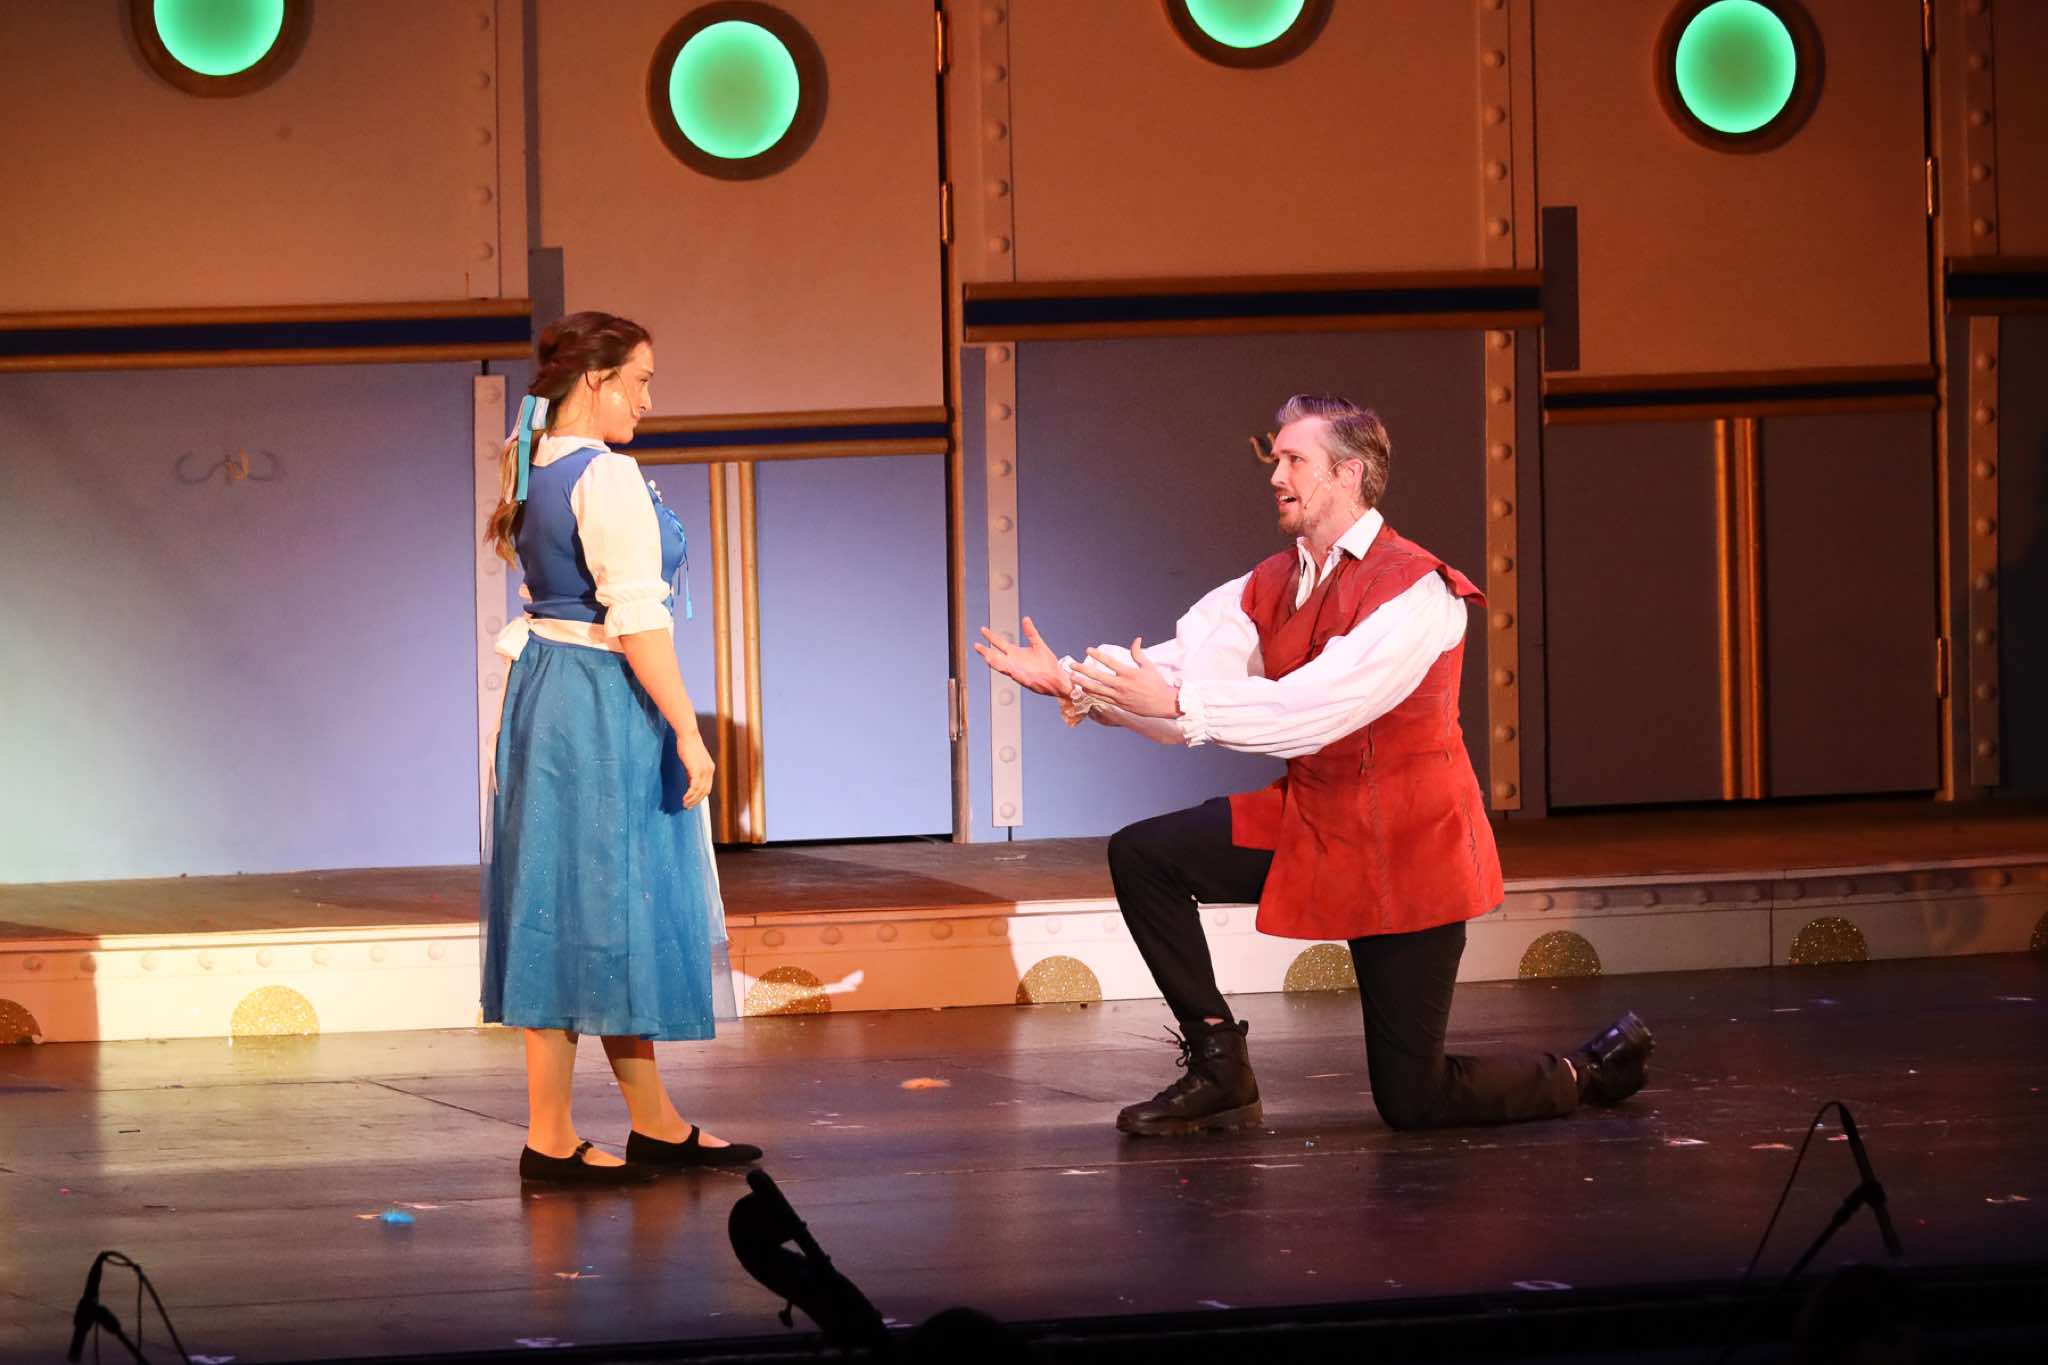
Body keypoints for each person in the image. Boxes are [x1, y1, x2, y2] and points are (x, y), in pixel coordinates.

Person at [976, 394, 1652, 1136]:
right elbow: (1180, 666)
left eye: (1295, 459)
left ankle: (1584, 1073)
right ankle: (1220, 1067)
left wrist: (1177, 702)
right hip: (1315, 818)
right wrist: (1072, 680)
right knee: (1145, 856)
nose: (1276, 475)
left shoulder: (1418, 590)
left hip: (1407, 845)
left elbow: (1314, 707)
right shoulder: (1273, 581)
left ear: (1348, 474)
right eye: (1277, 459)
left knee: (1414, 1099)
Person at [481, 310, 760, 1183]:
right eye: (639, 381)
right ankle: (551, 1134)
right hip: (598, 698)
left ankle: (650, 1121)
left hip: (551, 692)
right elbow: (638, 621)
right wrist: (687, 729)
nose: (647, 400)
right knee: (595, 903)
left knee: (586, 901)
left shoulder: (534, 457)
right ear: (595, 380)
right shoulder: (603, 474)